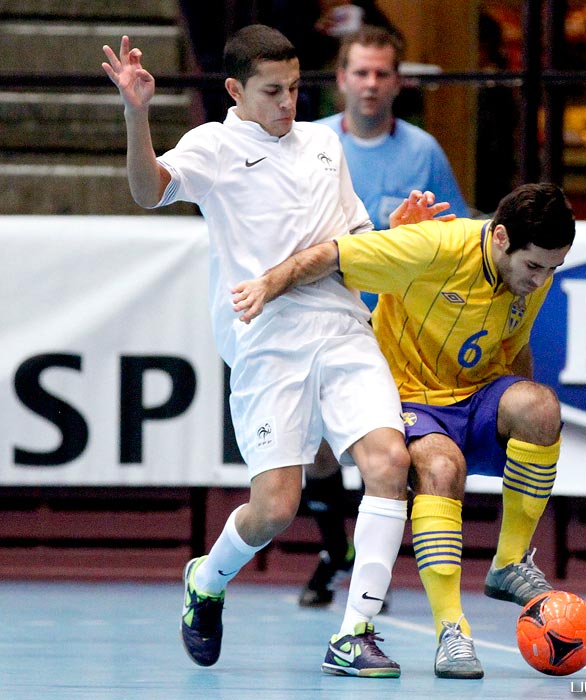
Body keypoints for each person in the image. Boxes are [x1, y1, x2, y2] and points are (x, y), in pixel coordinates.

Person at [101, 25, 415, 678]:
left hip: (341, 325)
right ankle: (207, 582)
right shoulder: (213, 146)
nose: (287, 103)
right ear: (235, 90)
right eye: (272, 91)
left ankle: (355, 631)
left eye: (296, 89)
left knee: (388, 461)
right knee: (274, 508)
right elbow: (145, 189)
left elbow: (354, 241)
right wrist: (137, 115)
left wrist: (392, 239)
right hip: (267, 344)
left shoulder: (325, 145)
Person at [231, 182, 576, 679]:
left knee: (542, 406)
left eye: (553, 269)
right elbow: (335, 255)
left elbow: (515, 350)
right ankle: (452, 631)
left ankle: (509, 562)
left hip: (476, 395)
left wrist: (520, 426)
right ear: (500, 238)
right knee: (440, 466)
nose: (542, 279)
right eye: (536, 267)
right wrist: (268, 284)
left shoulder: (530, 277)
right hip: (410, 397)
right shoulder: (434, 245)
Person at [298, 24, 470, 609]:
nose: (370, 84)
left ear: (397, 82)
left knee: (388, 454)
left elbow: (457, 236)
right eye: (360, 72)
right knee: (316, 449)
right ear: (341, 79)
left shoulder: (423, 151)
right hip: (324, 321)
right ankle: (333, 555)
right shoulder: (310, 143)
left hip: (398, 334)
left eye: (381, 73)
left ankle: (372, 578)